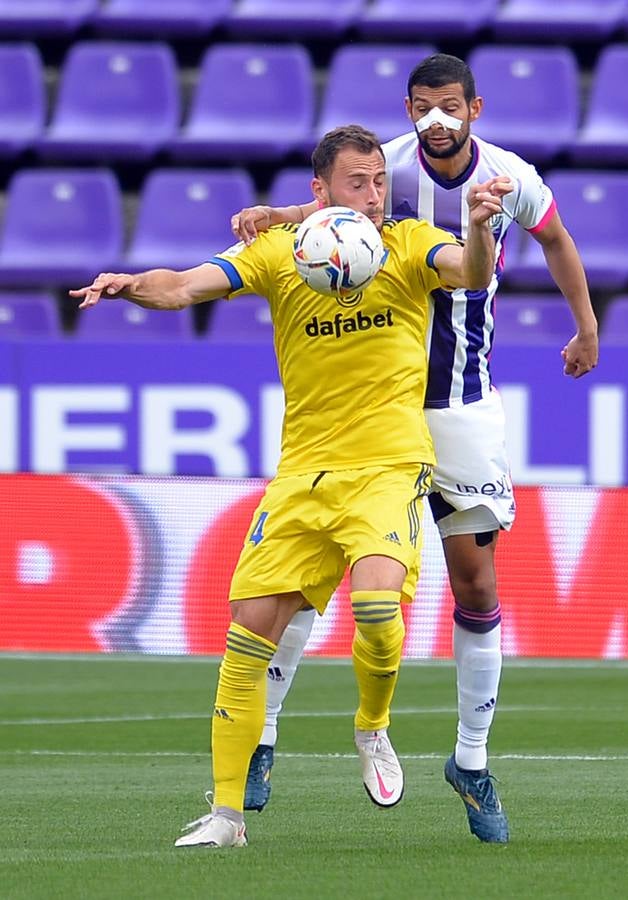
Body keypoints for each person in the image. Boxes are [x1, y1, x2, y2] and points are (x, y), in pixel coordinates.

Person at [70, 124, 507, 849]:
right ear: (320, 190)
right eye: (357, 183)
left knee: (375, 604)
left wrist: (483, 227)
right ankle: (227, 816)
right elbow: (182, 286)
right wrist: (129, 286)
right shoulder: (280, 253)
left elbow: (469, 273)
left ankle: (371, 728)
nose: (373, 196)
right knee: (247, 636)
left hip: (389, 465)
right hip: (302, 474)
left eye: (378, 182)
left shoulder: (406, 243)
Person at [232, 54, 599, 844]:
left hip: (461, 405)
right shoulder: (387, 168)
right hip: (374, 409)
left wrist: (587, 325)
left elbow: (560, 241)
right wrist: (279, 215)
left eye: (451, 106)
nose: (437, 119)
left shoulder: (510, 177)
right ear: (409, 109)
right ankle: (261, 736)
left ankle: (469, 759)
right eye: (424, 107)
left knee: (474, 578)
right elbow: (338, 214)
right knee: (312, 576)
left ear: (475, 107)